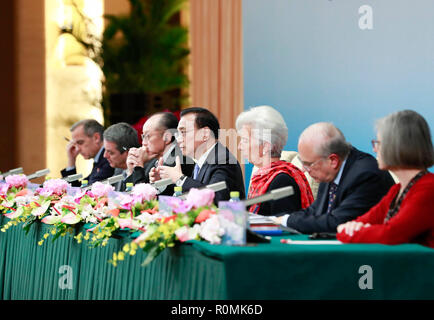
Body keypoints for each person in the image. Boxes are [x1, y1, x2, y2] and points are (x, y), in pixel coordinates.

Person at [274, 122, 395, 234]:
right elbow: (315, 211)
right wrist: (277, 220)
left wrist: (287, 221)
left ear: (333, 160)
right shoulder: (330, 171)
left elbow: (338, 223)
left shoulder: (365, 175)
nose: (305, 169)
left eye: (309, 164)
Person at [337, 110, 434, 247]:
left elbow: (391, 234)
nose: (375, 149)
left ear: (397, 146)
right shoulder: (397, 190)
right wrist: (348, 229)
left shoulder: (428, 189)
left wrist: (348, 233)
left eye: (378, 143)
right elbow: (360, 222)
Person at [153, 107, 245, 204]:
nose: (178, 139)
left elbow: (215, 198)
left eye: (183, 132)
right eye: (177, 134)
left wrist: (180, 178)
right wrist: (162, 183)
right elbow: (188, 197)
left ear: (205, 134)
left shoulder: (223, 160)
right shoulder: (201, 162)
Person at [236, 105, 314, 216]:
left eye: (244, 140)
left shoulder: (282, 182)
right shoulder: (262, 177)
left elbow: (283, 228)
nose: (239, 147)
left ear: (266, 146)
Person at [123, 112, 195, 195]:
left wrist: (138, 167)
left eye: (147, 136)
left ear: (167, 137)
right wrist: (132, 170)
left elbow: (145, 200)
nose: (143, 143)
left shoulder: (179, 161)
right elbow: (129, 196)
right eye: (143, 137)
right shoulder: (153, 162)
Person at [61, 119, 114, 186]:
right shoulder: (100, 159)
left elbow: (88, 191)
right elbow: (78, 188)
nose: (77, 149)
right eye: (75, 144)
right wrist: (71, 160)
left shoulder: (109, 159)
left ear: (96, 138)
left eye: (80, 142)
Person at [103, 122, 140, 191]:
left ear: (128, 152)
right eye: (105, 150)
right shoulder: (119, 169)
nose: (105, 156)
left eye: (110, 152)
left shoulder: (144, 172)